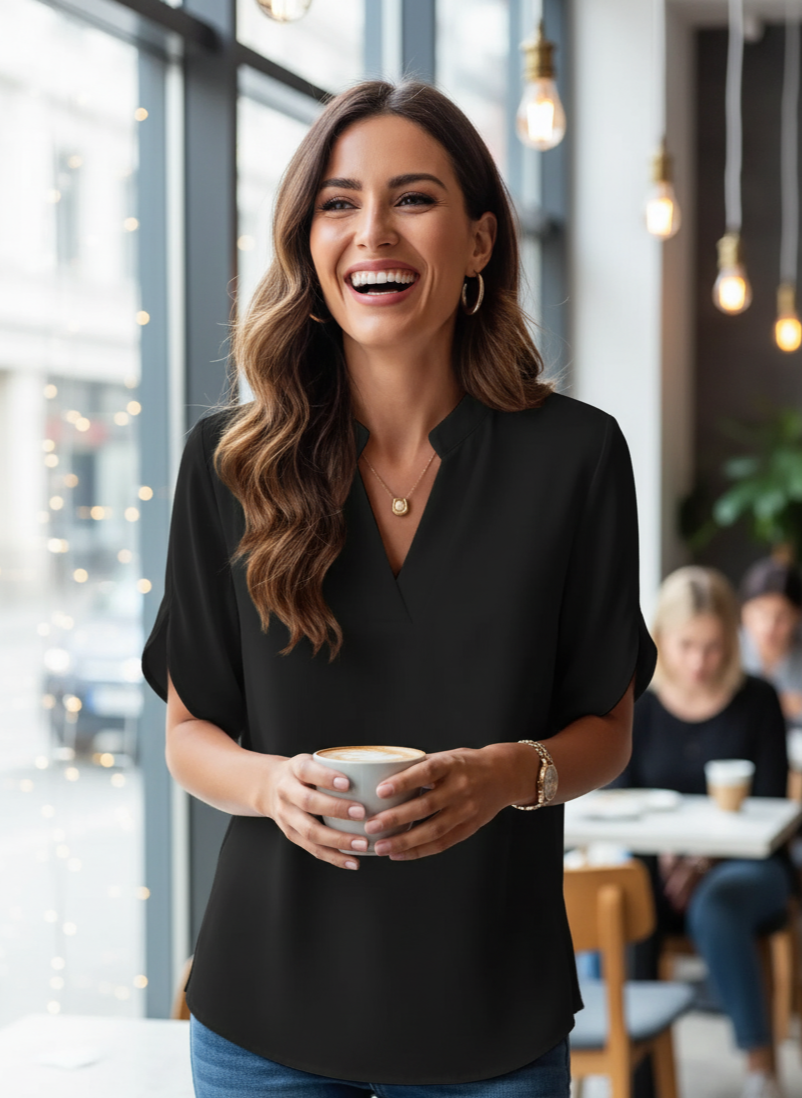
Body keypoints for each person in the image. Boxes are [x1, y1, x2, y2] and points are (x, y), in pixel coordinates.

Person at [142, 80, 656, 1098]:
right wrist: (270, 789)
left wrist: (505, 776)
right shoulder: (227, 462)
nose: (372, 231)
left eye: (412, 198)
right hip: (263, 1013)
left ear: (479, 241)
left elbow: (606, 729)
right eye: (338, 203)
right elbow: (189, 734)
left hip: (488, 1010)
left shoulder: (578, 457)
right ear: (308, 243)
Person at [614, 566, 790, 1098]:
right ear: (661, 639)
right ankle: (634, 1076)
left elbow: (771, 806)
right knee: (624, 894)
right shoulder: (638, 705)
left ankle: (760, 1069)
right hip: (661, 867)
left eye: (713, 647)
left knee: (716, 904)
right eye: (687, 645)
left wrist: (704, 858)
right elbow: (621, 796)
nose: (699, 662)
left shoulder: (758, 700)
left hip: (750, 868)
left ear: (731, 642)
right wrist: (670, 850)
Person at [740, 555, 802, 726]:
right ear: (744, 610)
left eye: (781, 616)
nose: (769, 627)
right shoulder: (725, 650)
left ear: (797, 615)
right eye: (761, 613)